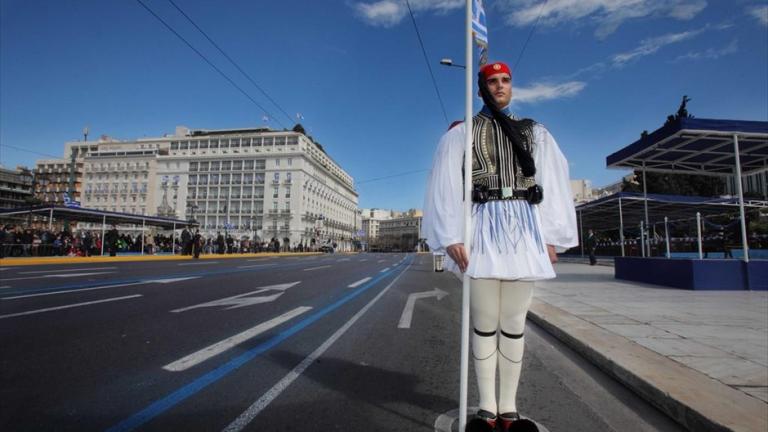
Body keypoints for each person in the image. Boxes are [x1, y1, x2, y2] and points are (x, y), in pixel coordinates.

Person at [423, 61, 577, 432]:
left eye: (506, 80)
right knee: (484, 323)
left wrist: (552, 236)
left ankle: (509, 409)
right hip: (482, 228)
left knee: (513, 323)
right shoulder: (461, 133)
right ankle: (486, 409)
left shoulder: (534, 132)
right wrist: (451, 237)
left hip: (524, 230)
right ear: (480, 89)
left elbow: (553, 181)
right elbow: (444, 183)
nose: (500, 86)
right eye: (492, 81)